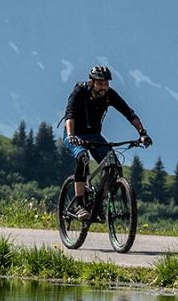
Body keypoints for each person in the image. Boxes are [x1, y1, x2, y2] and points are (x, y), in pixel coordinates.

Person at [63, 65, 149, 215]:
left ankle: (102, 204)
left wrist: (142, 133)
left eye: (106, 83)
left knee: (113, 164)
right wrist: (71, 136)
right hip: (75, 134)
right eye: (101, 83)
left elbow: (129, 113)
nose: (104, 87)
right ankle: (80, 204)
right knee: (83, 158)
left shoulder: (109, 95)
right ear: (92, 82)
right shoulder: (80, 92)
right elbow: (69, 115)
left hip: (95, 135)